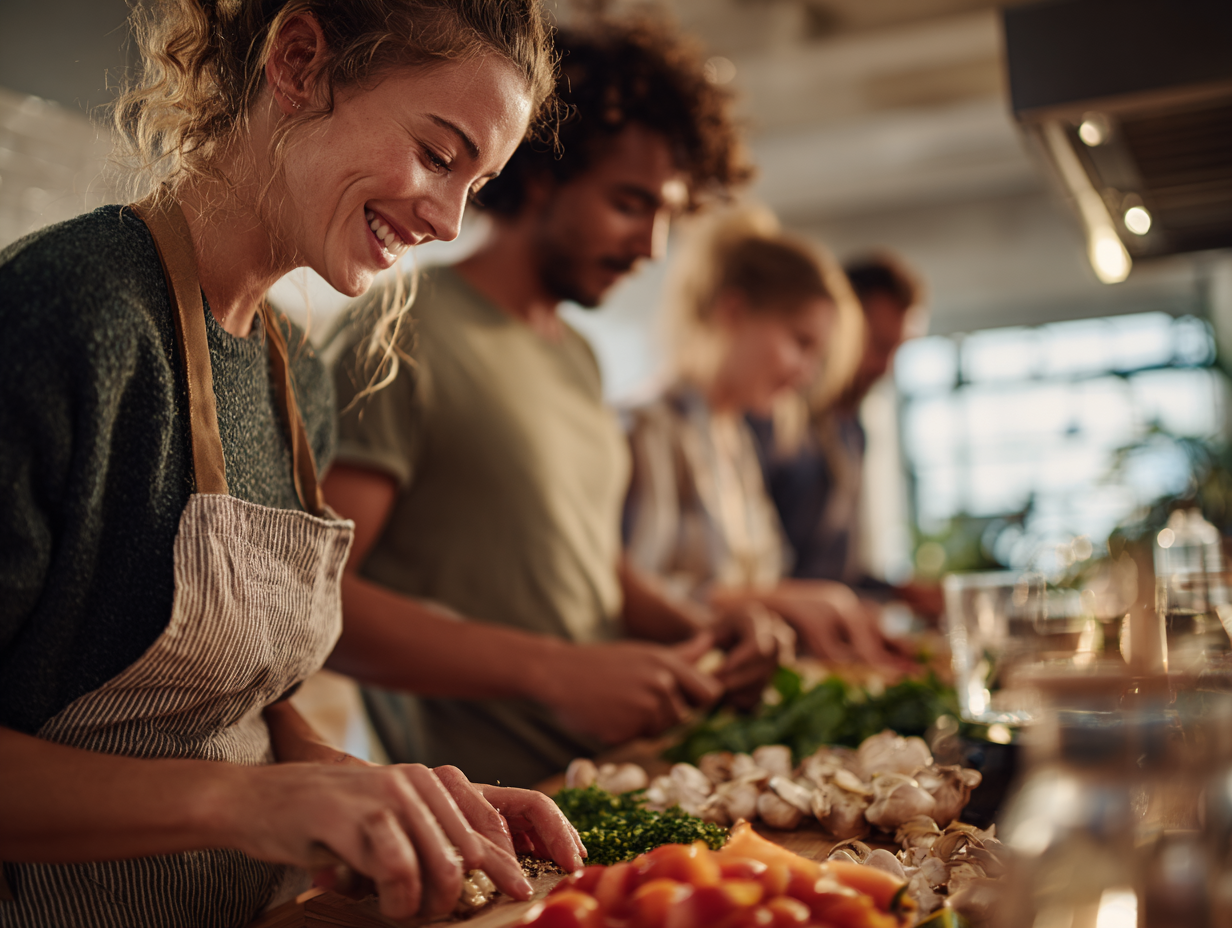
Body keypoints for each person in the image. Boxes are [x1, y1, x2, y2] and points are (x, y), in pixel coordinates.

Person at [0, 3, 584, 926]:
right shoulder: (64, 314)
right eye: (437, 155)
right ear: (300, 63)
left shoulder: (296, 374)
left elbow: (232, 713)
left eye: (476, 185)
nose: (448, 221)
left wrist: (365, 791)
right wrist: (252, 803)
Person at [324, 19, 787, 789]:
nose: (651, 248)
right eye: (630, 203)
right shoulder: (400, 329)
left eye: (667, 216)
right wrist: (553, 671)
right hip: (484, 808)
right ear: (540, 175)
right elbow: (315, 601)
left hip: (612, 783)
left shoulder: (577, 355)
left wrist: (705, 629)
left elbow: (584, 560)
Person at [623, 208, 913, 669]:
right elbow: (629, 598)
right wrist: (783, 601)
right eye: (800, 343)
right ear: (734, 312)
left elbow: (759, 582)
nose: (807, 374)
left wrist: (828, 608)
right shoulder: (647, 428)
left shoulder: (736, 440)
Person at [747, 253, 940, 617]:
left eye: (897, 351)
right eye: (878, 346)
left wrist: (902, 593)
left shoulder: (852, 433)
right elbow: (759, 573)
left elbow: (835, 572)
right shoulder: (770, 419)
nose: (885, 368)